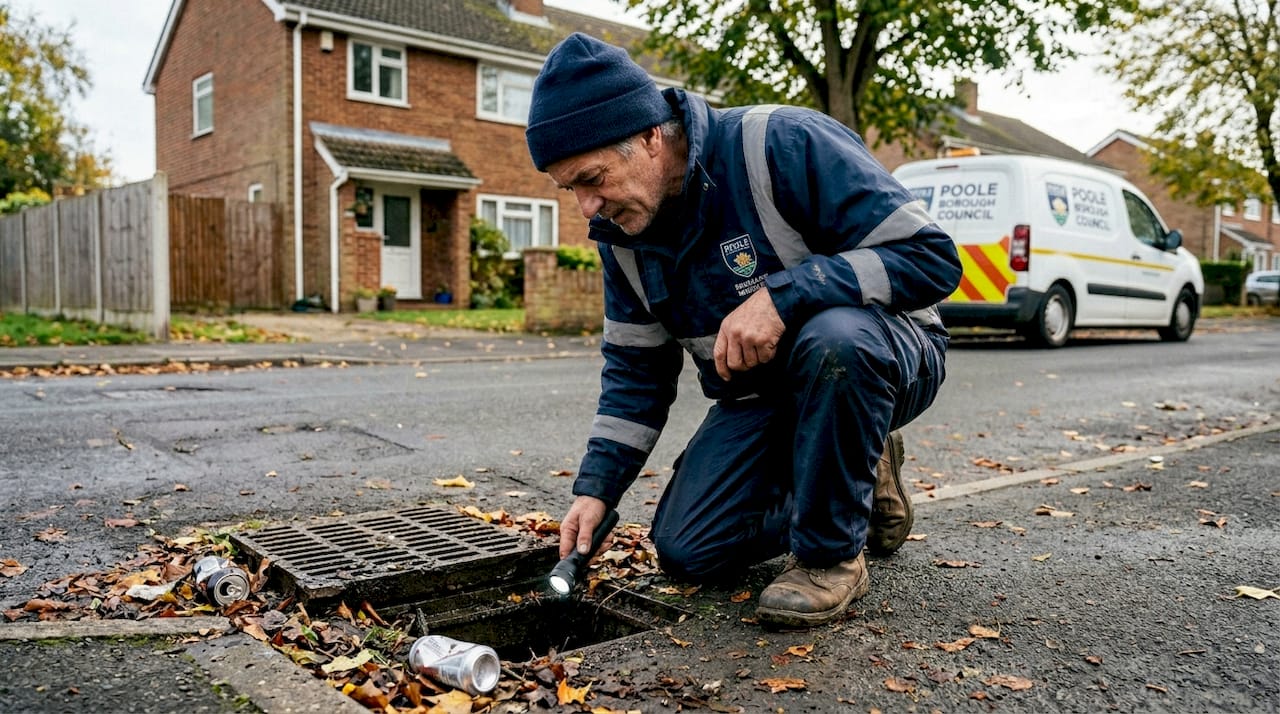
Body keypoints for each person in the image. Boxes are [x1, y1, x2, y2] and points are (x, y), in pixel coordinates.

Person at [525, 33, 962, 628]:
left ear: (651, 137)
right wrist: (597, 491)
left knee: (836, 340)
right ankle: (858, 463)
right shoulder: (623, 239)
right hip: (762, 392)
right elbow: (636, 374)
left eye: (592, 177)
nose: (585, 207)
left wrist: (783, 296)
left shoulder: (781, 143)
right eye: (568, 188)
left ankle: (830, 557)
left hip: (880, 352)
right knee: (688, 549)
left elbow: (932, 258)